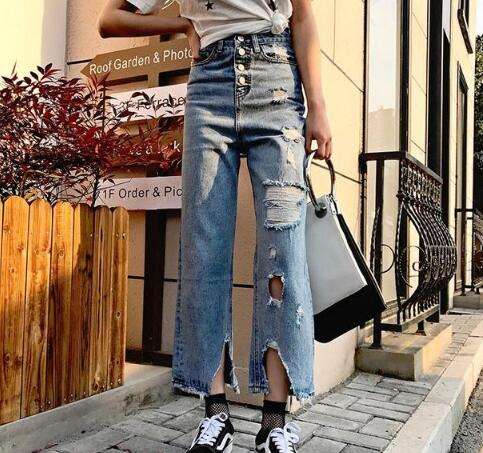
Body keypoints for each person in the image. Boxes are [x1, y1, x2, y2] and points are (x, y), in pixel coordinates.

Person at [98, 1, 332, 452]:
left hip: (278, 82)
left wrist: (318, 106)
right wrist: (181, 21)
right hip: (209, 84)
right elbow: (110, 19)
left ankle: (275, 421)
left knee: (283, 256)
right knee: (203, 252)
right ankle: (216, 415)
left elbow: (303, 17)